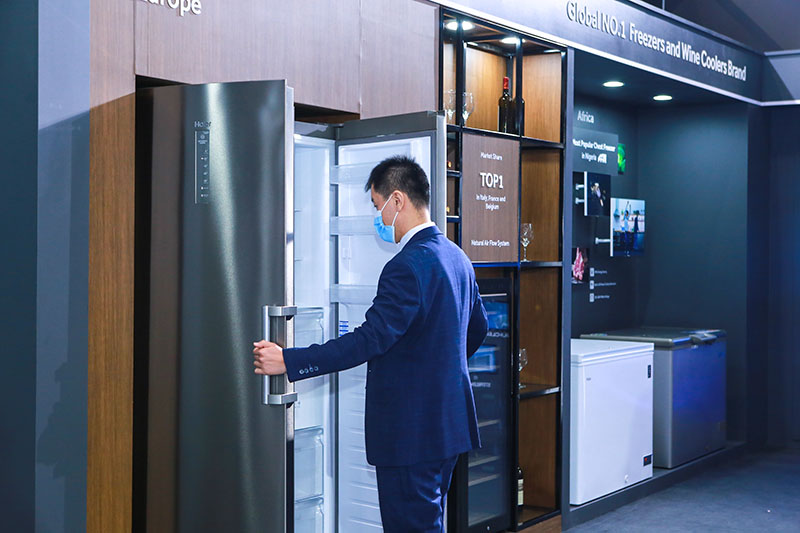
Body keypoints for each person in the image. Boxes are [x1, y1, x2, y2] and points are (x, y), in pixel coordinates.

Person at [253, 155, 488, 533]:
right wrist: (436, 369)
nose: (378, 218)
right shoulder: (457, 257)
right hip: (448, 427)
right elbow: (477, 329)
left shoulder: (407, 266)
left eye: (378, 207)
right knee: (430, 522)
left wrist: (290, 361)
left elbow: (367, 341)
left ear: (397, 200)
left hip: (411, 434)